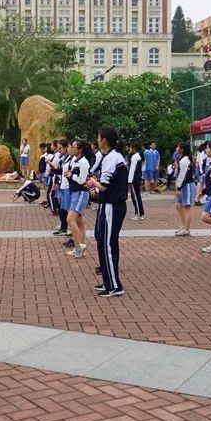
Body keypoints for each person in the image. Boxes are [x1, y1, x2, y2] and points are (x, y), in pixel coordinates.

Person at [86, 127, 128, 297]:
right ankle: (108, 279)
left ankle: (114, 286)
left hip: (112, 206)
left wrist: (93, 183)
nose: (97, 140)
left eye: (98, 137)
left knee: (108, 244)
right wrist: (97, 190)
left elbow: (104, 185)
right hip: (108, 204)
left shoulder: (112, 158)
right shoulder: (113, 157)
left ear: (104, 140)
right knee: (103, 241)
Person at [64, 140, 92, 258]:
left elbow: (82, 180)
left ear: (80, 149)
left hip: (81, 193)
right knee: (79, 221)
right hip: (75, 192)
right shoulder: (76, 160)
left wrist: (71, 175)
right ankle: (80, 248)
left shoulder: (84, 162)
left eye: (74, 147)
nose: (72, 148)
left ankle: (78, 246)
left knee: (70, 219)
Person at [173, 142, 195, 236]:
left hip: (187, 185)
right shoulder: (182, 159)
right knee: (178, 205)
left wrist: (178, 188)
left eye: (178, 146)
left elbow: (183, 176)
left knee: (187, 207)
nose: (176, 148)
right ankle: (183, 226)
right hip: (183, 185)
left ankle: (187, 229)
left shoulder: (185, 160)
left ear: (182, 149)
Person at [127, 142, 144, 221]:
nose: (129, 150)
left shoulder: (134, 156)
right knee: (137, 196)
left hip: (134, 179)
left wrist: (129, 181)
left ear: (133, 148)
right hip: (137, 178)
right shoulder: (138, 156)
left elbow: (132, 169)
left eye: (130, 148)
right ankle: (139, 212)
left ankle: (138, 213)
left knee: (135, 197)